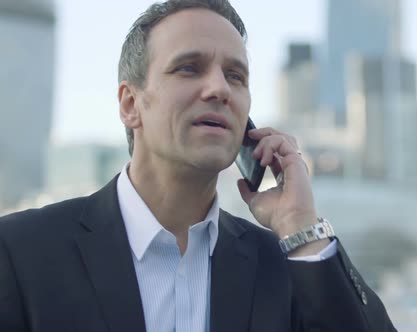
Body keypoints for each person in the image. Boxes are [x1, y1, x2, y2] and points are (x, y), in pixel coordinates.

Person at [0, 0, 396, 331]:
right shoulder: (21, 252)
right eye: (189, 67)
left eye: (235, 75)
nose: (219, 89)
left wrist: (301, 226)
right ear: (130, 104)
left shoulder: (289, 267)